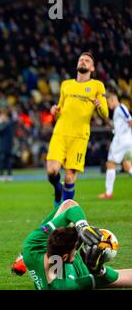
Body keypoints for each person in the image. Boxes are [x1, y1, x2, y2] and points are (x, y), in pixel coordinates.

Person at [21, 198, 132, 290]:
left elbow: (70, 206)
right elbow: (112, 278)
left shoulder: (31, 246)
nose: (79, 246)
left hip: (49, 266)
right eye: (75, 248)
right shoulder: (67, 285)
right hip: (79, 274)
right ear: (65, 257)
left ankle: (21, 257)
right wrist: (99, 271)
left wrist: (82, 226)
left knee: (68, 209)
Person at [46, 52, 108, 204]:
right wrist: (54, 111)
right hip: (60, 133)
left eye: (87, 60)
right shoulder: (66, 84)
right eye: (81, 59)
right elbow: (59, 109)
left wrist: (99, 106)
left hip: (79, 136)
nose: (83, 62)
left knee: (69, 177)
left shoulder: (97, 86)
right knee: (51, 171)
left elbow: (105, 114)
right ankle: (57, 188)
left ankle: (65, 210)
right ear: (77, 64)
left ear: (92, 68)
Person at [99, 93, 132, 198]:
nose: (108, 106)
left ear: (113, 99)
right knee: (127, 166)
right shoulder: (118, 110)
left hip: (121, 141)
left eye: (108, 102)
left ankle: (108, 193)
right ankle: (108, 193)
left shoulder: (121, 108)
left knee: (110, 164)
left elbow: (130, 120)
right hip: (127, 141)